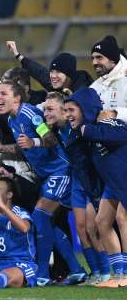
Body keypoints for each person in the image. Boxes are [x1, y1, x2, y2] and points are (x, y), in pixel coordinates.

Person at [0, 79, 86, 285]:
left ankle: (43, 274)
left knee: (39, 215)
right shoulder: (11, 120)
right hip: (47, 175)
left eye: (3, 93)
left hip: (60, 170)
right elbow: (23, 147)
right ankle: (76, 269)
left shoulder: (29, 114)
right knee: (46, 221)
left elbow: (50, 140)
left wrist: (33, 141)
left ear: (17, 97)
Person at [65, 88, 127, 287]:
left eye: (72, 110)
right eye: (65, 111)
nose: (68, 116)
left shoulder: (105, 122)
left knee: (122, 218)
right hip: (113, 183)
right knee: (102, 221)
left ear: (85, 109)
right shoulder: (80, 136)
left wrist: (89, 131)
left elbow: (123, 134)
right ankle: (118, 274)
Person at [6, 40, 93, 94]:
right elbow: (38, 71)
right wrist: (17, 54)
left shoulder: (84, 90)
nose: (53, 76)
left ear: (69, 74)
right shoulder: (56, 83)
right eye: (52, 71)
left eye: (58, 72)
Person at [88, 35, 127, 123]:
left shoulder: (125, 82)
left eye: (99, 57)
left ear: (112, 59)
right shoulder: (94, 87)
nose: (94, 62)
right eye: (93, 58)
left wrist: (115, 114)